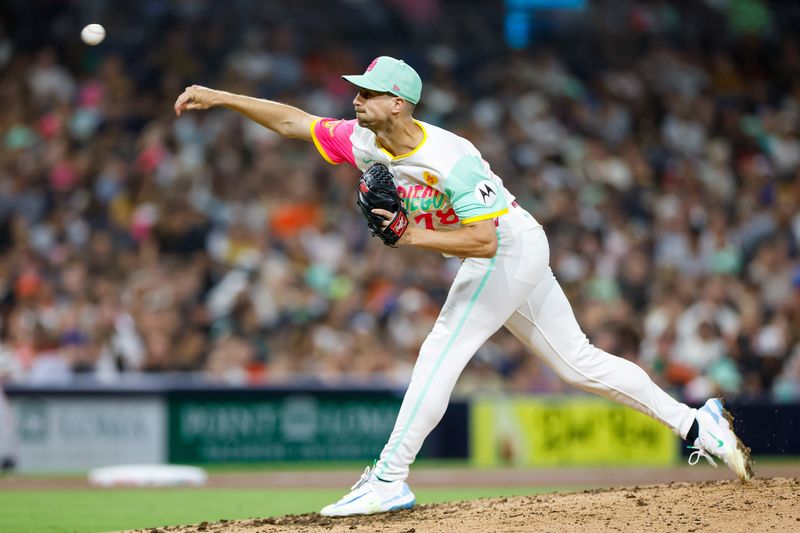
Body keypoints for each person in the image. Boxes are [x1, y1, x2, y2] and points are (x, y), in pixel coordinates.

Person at [174, 56, 754, 517]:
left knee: (441, 349)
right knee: (579, 363)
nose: (355, 99)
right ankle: (696, 423)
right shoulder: (367, 139)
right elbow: (293, 122)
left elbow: (484, 243)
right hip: (507, 248)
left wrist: (408, 237)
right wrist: (223, 98)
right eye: (358, 90)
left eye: (368, 93)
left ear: (398, 103)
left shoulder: (452, 159)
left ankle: (387, 479)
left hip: (508, 246)